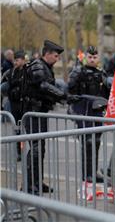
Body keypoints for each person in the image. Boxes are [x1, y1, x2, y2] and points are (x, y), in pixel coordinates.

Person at [21, 40, 77, 195]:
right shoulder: (38, 66)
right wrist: (64, 96)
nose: (57, 58)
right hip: (33, 112)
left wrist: (65, 97)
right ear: (46, 54)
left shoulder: (46, 67)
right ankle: (29, 184)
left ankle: (37, 182)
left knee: (40, 149)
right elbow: (43, 86)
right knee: (36, 149)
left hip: (40, 112)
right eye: (55, 55)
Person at [68, 46, 110, 183]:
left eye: (95, 57)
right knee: (87, 142)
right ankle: (86, 173)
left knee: (96, 141)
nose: (92, 59)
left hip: (97, 110)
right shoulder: (78, 71)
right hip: (83, 110)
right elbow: (71, 89)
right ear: (85, 57)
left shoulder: (101, 72)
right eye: (90, 57)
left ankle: (94, 171)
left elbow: (107, 92)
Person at [1, 50, 27, 160]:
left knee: (27, 129)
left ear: (23, 60)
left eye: (18, 60)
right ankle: (20, 152)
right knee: (17, 130)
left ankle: (29, 151)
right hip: (15, 104)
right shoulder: (10, 72)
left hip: (26, 105)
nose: (16, 62)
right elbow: (3, 86)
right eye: (15, 60)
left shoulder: (28, 72)